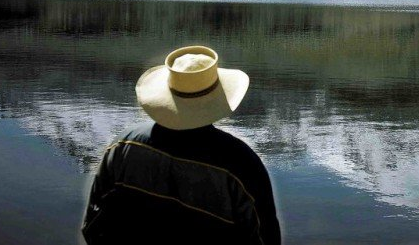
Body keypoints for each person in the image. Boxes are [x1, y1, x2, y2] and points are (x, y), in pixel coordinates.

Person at [81, 45, 281, 244]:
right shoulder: (241, 165)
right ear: (217, 99)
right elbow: (265, 238)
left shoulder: (123, 146)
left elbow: (93, 225)